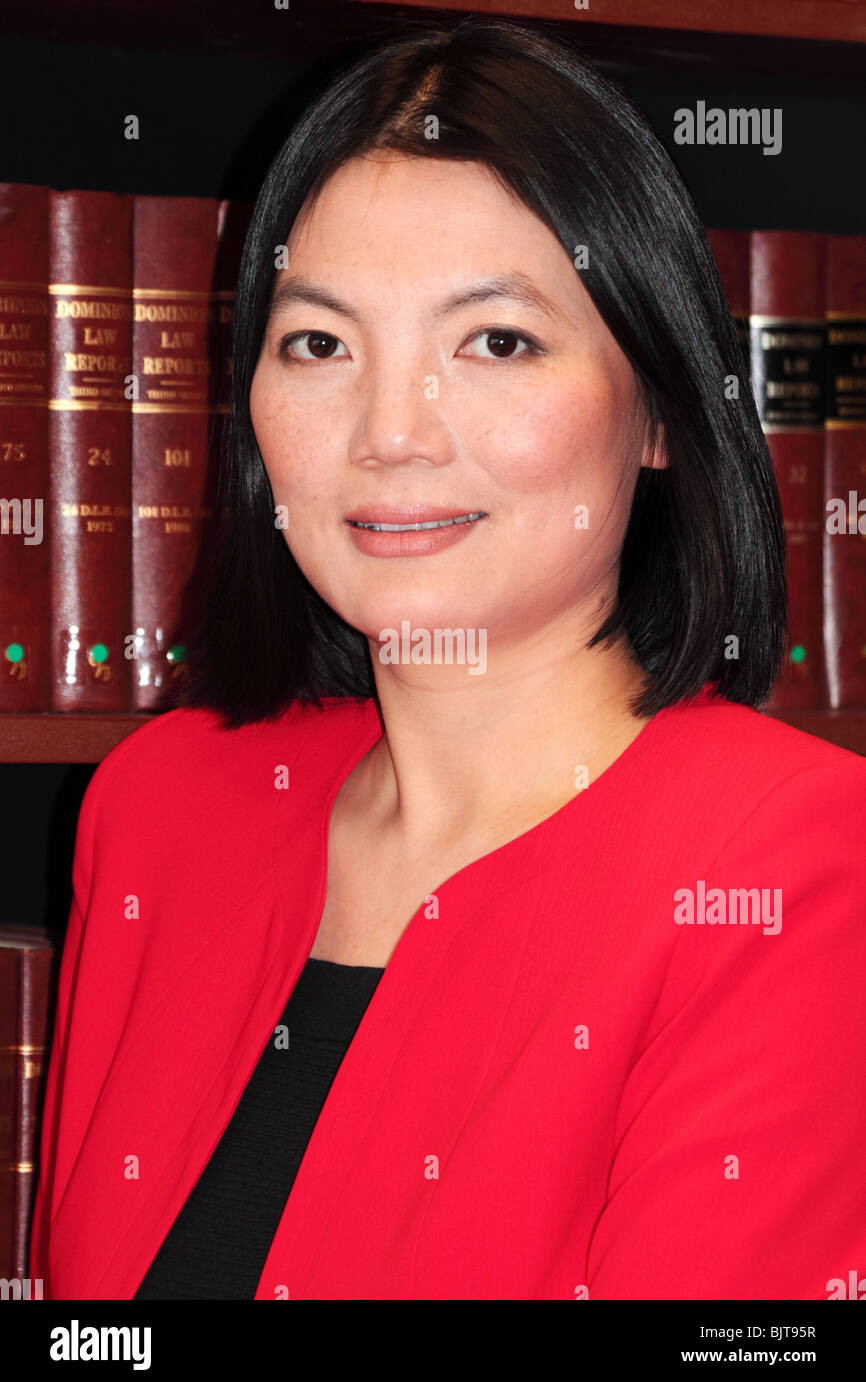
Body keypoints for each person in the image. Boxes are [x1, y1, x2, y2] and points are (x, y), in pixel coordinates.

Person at [31, 16, 866, 1300]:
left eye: (494, 342)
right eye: (318, 342)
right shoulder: (158, 811)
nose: (389, 433)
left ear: (656, 410)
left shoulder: (793, 868)